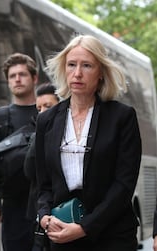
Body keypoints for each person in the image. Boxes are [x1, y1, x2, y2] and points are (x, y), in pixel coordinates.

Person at [35, 34, 141, 251]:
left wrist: (85, 227)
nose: (77, 73)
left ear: (101, 72)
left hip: (112, 234)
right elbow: (42, 184)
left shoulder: (122, 117)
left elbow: (124, 184)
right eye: (71, 65)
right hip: (62, 231)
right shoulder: (46, 120)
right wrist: (45, 217)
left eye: (87, 66)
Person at [0, 52, 39, 251]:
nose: (17, 79)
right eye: (12, 76)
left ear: (35, 78)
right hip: (13, 206)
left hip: (45, 202)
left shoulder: (47, 112)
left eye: (22, 74)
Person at [23, 83, 59, 251]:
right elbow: (29, 170)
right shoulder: (38, 134)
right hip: (42, 215)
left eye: (48, 106)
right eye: (39, 108)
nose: (43, 112)